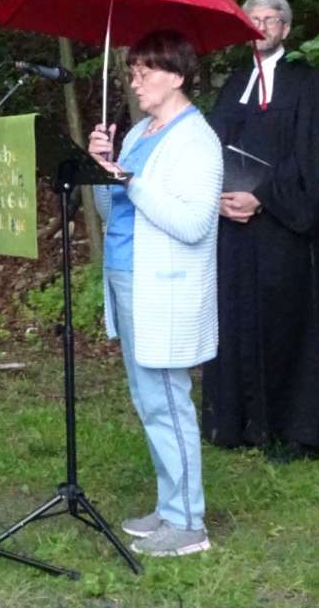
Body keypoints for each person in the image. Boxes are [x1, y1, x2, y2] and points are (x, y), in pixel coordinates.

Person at [88, 30, 222, 558]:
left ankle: (189, 524)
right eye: (132, 69)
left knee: (168, 401)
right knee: (149, 401)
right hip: (127, 278)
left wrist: (130, 181)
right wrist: (104, 170)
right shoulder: (141, 130)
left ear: (178, 76)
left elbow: (192, 223)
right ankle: (170, 507)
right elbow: (111, 211)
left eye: (146, 70)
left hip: (163, 288)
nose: (135, 79)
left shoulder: (197, 140)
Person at [202, 0, 319, 460]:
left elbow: (313, 159)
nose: (261, 26)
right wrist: (218, 199)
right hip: (234, 231)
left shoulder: (307, 85)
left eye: (271, 19)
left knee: (287, 323)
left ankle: (293, 429)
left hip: (283, 229)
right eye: (253, 19)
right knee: (237, 318)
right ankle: (238, 423)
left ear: (285, 28)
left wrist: (261, 197)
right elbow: (209, 149)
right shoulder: (233, 84)